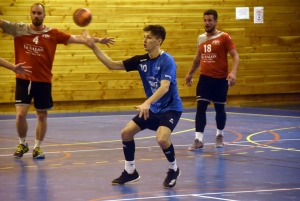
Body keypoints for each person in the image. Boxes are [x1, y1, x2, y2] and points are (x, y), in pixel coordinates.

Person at [0, 3, 114, 159]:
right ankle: (22, 143)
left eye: (39, 13)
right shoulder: (18, 29)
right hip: (23, 79)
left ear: (44, 15)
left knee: (41, 116)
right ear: (30, 14)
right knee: (20, 115)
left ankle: (38, 147)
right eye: (34, 13)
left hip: (44, 81)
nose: (36, 16)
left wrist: (98, 40)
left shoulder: (52, 33)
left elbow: (76, 38)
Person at [83, 25, 182, 188]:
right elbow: (111, 65)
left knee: (162, 139)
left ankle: (174, 169)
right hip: (152, 108)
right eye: (144, 36)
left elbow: (164, 87)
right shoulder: (140, 61)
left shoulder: (167, 60)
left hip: (170, 108)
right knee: (126, 133)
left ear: (159, 41)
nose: (144, 40)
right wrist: (93, 46)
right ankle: (130, 171)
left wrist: (147, 103)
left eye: (149, 37)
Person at [185, 9, 239, 150]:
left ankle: (219, 135)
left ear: (215, 21)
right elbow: (198, 58)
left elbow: (235, 56)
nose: (207, 23)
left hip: (220, 80)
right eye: (205, 20)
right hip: (205, 79)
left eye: (210, 20)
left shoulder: (224, 37)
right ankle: (198, 140)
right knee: (200, 107)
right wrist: (190, 73)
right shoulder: (201, 38)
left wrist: (233, 72)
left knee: (219, 109)